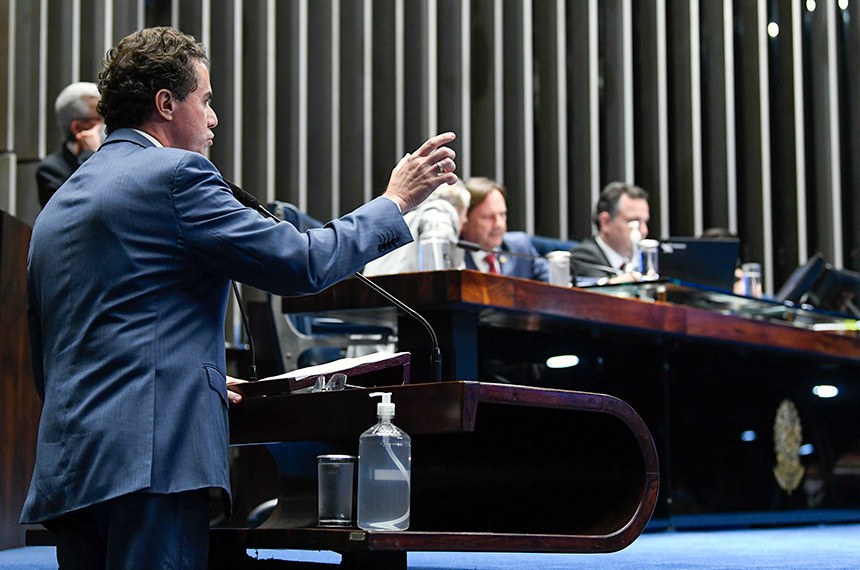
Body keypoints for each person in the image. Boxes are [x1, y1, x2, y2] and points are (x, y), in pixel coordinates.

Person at [21, 26, 457, 569]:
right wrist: (394, 203)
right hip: (153, 467)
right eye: (204, 100)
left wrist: (188, 373)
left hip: (69, 471)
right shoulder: (178, 175)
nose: (213, 118)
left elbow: (55, 353)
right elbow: (302, 262)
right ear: (166, 103)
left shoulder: (56, 208)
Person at [362, 178, 470, 275]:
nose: (465, 220)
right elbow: (436, 276)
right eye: (465, 214)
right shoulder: (439, 212)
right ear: (458, 209)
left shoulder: (408, 219)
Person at [459, 177, 548, 281]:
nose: (499, 224)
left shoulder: (520, 247)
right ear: (464, 220)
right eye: (488, 217)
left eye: (502, 214)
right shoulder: (453, 260)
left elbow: (554, 289)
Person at [35, 82, 106, 207]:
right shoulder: (50, 170)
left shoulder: (112, 153)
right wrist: (89, 156)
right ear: (78, 128)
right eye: (100, 118)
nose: (106, 124)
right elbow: (83, 206)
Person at [570, 181, 650, 283]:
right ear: (605, 222)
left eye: (645, 222)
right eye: (633, 221)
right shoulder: (583, 258)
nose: (644, 231)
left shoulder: (641, 261)